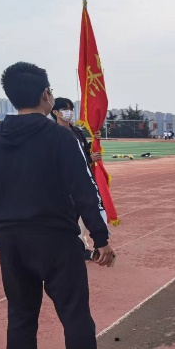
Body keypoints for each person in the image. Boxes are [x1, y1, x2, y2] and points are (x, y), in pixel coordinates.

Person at [0, 62, 122, 349]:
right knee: (74, 315)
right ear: (45, 95)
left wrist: (1, 234)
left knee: (21, 314)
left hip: (10, 242)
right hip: (56, 239)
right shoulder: (60, 137)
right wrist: (100, 237)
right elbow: (84, 189)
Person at [51, 97, 102, 261]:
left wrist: (95, 140)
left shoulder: (77, 132)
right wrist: (89, 159)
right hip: (63, 186)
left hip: (79, 183)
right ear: (55, 112)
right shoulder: (53, 134)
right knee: (67, 220)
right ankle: (70, 251)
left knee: (80, 218)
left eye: (71, 109)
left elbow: (85, 151)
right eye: (66, 109)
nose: (70, 112)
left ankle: (79, 248)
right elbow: (63, 161)